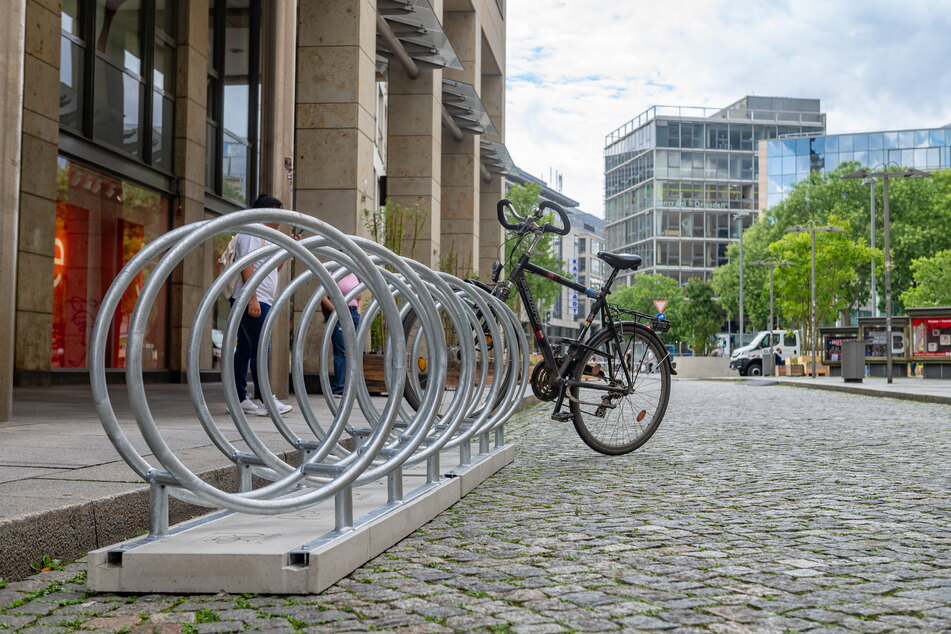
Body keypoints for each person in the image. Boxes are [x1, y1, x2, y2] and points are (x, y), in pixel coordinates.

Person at [231, 194, 295, 416]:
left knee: (246, 349)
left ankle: (239, 398)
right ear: (267, 212)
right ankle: (266, 398)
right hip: (253, 299)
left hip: (260, 298)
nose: (280, 220)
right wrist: (252, 298)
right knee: (260, 348)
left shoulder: (265, 236)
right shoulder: (251, 231)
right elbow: (246, 264)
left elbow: (270, 270)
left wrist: (286, 253)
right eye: (278, 214)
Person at [322, 271, 361, 395]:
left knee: (352, 350)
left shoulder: (355, 273)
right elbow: (322, 297)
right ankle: (340, 387)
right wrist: (338, 311)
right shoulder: (332, 272)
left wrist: (358, 312)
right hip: (338, 313)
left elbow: (359, 297)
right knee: (341, 350)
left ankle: (351, 387)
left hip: (353, 312)